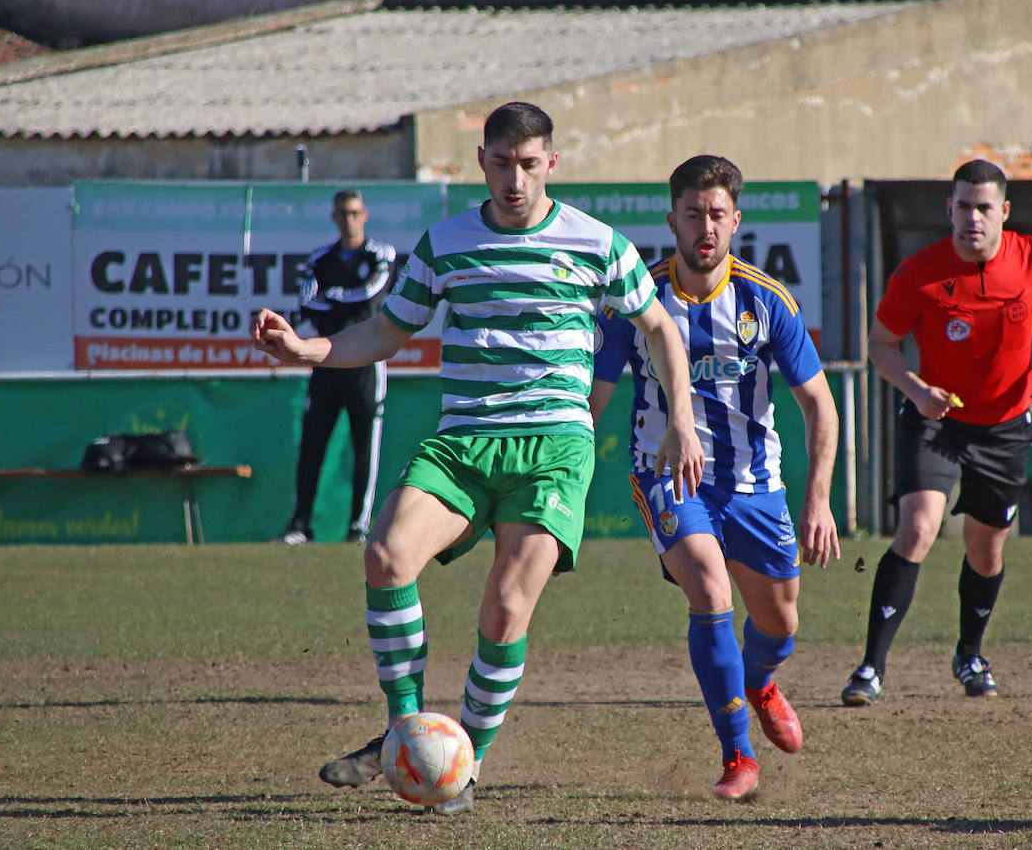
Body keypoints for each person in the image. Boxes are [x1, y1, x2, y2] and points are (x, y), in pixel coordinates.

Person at [251, 101, 703, 815]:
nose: (514, 179)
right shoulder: (446, 244)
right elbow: (383, 333)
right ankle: (407, 731)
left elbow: (659, 330)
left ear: (551, 163)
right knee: (385, 556)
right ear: (482, 163)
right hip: (462, 443)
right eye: (500, 163)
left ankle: (464, 767)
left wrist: (681, 416)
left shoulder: (597, 243)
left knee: (505, 608)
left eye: (529, 164)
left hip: (554, 449)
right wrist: (307, 349)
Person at [589, 154, 840, 800]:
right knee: (708, 588)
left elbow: (819, 404)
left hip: (756, 484)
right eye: (694, 213)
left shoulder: (766, 300)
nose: (706, 226)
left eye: (718, 214)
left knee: (780, 623)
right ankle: (738, 758)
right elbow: (593, 397)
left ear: (737, 221)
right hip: (666, 474)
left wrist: (818, 500)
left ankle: (759, 682)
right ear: (672, 218)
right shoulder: (636, 302)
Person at [842, 159, 1032, 706]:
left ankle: (970, 655)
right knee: (917, 530)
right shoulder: (919, 273)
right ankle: (870, 669)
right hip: (936, 423)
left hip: (1003, 429)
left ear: (1004, 212)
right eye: (962, 205)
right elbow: (880, 345)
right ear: (948, 208)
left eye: (983, 207)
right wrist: (915, 389)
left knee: (986, 552)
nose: (972, 217)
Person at [279, 189, 397, 546]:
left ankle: (357, 526)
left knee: (365, 447)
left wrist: (334, 297)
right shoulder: (320, 259)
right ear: (334, 217)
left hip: (366, 361)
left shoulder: (381, 254)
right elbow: (308, 303)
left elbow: (371, 296)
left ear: (365, 215)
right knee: (312, 443)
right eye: (343, 214)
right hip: (326, 358)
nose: (349, 220)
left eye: (354, 213)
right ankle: (300, 525)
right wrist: (339, 301)